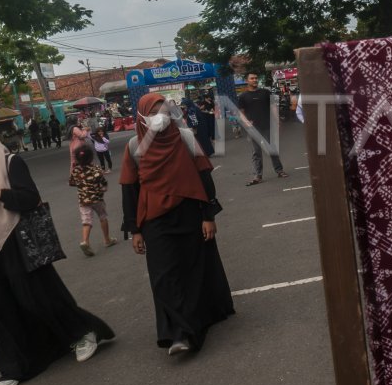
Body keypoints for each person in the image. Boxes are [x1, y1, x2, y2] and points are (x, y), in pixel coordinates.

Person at [0, 115, 113, 385]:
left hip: (15, 240)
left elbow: (29, 199)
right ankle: (13, 365)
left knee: (37, 296)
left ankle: (83, 333)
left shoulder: (10, 162)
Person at [121, 93, 233, 356]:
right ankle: (179, 333)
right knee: (163, 277)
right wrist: (134, 230)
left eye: (164, 110)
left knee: (192, 271)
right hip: (154, 219)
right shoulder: (134, 147)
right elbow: (130, 190)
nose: (160, 116)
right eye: (154, 111)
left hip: (190, 213)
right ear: (141, 117)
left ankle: (190, 328)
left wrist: (208, 216)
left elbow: (204, 177)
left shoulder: (185, 138)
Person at [237, 72, 288, 186]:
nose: (255, 80)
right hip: (253, 129)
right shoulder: (243, 96)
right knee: (256, 152)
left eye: (256, 78)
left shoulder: (265, 92)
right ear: (247, 80)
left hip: (267, 126)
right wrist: (246, 122)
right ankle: (257, 176)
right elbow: (241, 113)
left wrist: (277, 120)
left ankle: (279, 171)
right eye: (252, 78)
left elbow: (273, 107)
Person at [69, 145, 117, 256]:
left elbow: (72, 183)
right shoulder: (95, 169)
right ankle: (107, 239)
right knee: (102, 217)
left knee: (86, 221)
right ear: (91, 157)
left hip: (83, 200)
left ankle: (85, 241)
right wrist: (104, 187)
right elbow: (102, 181)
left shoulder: (75, 170)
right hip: (97, 198)